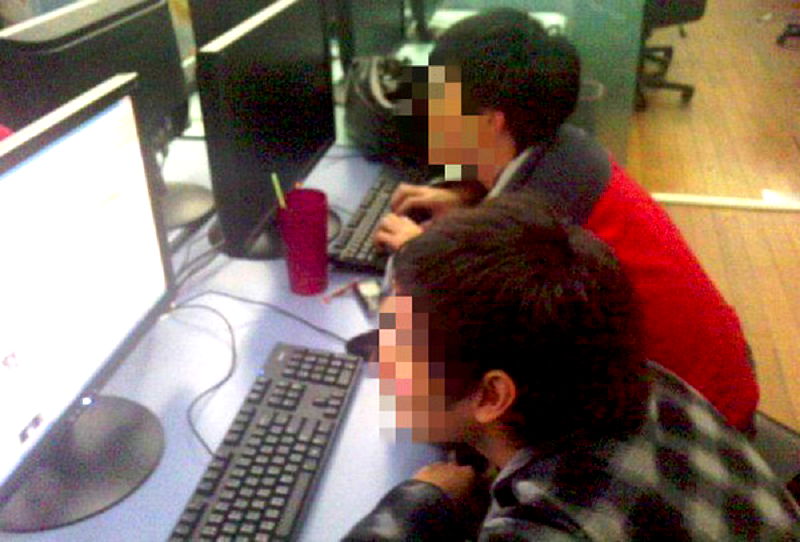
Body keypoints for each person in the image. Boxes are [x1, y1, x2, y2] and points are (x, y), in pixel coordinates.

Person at [372, 8, 758, 432]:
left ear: (490, 121)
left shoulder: (539, 221)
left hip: (687, 420)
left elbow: (475, 327)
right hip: (717, 376)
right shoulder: (567, 148)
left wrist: (417, 251)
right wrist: (465, 200)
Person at [346, 193, 800, 541]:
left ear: (492, 395)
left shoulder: (549, 529)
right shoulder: (644, 378)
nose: (379, 362)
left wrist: (421, 506)